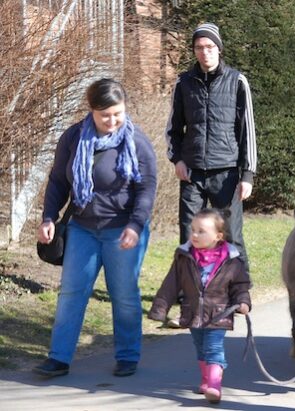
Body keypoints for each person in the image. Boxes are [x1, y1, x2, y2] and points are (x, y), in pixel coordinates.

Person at [33, 78, 157, 378]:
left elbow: (147, 187)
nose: (113, 121)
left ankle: (127, 356)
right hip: (83, 229)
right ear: (92, 111)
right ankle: (59, 358)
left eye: (118, 113)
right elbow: (59, 182)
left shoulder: (136, 141)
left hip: (123, 229)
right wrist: (49, 217)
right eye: (106, 115)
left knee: (124, 294)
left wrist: (136, 225)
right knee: (72, 293)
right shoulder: (73, 137)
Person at [165, 22, 257, 272]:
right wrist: (177, 160)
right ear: (194, 51)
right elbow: (173, 128)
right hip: (192, 173)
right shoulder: (184, 83)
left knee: (231, 235)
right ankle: (189, 290)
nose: (205, 52)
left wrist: (247, 175)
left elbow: (247, 131)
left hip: (226, 174)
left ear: (219, 49)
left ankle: (239, 292)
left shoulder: (238, 82)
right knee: (188, 235)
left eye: (209, 46)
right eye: (199, 47)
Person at [148, 208, 251, 404]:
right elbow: (171, 284)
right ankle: (205, 381)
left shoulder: (231, 260)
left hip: (218, 313)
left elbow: (241, 285)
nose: (194, 234)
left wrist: (244, 301)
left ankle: (214, 384)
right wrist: (160, 308)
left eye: (201, 231)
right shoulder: (184, 257)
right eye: (193, 229)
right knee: (200, 347)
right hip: (192, 312)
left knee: (213, 348)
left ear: (218, 236)